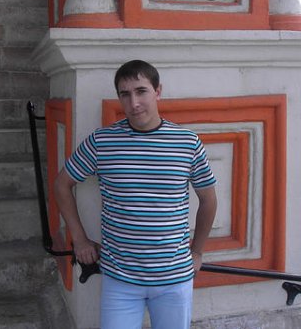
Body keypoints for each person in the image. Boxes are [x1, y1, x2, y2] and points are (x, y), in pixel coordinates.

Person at [54, 59, 217, 329]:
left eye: (141, 91)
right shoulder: (101, 142)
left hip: (174, 279)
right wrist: (80, 239)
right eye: (125, 94)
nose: (134, 103)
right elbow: (62, 185)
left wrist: (197, 251)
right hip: (120, 280)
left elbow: (208, 199)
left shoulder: (187, 142)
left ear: (157, 91)